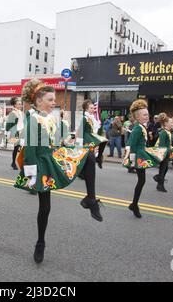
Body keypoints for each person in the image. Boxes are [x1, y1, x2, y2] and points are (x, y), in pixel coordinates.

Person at [14, 79, 103, 264]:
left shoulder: (51, 118)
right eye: (50, 99)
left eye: (54, 99)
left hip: (54, 155)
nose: (54, 102)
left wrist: (67, 143)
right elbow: (30, 149)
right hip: (41, 164)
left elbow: (58, 140)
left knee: (89, 156)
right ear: (39, 101)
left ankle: (90, 199)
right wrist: (31, 175)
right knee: (45, 208)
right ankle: (40, 242)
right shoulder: (32, 118)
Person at [123, 100, 167, 218]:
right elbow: (130, 145)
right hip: (138, 157)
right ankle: (134, 205)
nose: (147, 116)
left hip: (142, 153)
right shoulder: (138, 128)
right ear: (137, 117)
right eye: (144, 115)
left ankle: (134, 204)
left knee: (142, 181)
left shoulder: (142, 126)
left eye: (147, 114)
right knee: (141, 181)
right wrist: (131, 161)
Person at [78, 99, 108, 169]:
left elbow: (94, 129)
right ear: (86, 109)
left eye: (93, 108)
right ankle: (84, 170)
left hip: (91, 136)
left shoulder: (92, 118)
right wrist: (78, 143)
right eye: (91, 108)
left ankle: (99, 157)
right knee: (87, 157)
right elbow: (80, 131)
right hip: (86, 139)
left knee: (104, 141)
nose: (93, 110)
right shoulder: (84, 118)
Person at [6, 97, 24, 170]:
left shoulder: (21, 112)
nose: (20, 105)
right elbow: (9, 125)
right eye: (19, 104)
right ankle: (13, 162)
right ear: (15, 105)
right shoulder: (13, 113)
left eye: (20, 104)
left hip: (22, 131)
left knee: (21, 148)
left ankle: (18, 162)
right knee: (16, 148)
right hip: (16, 132)